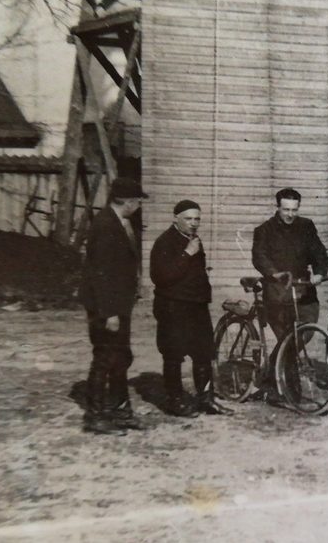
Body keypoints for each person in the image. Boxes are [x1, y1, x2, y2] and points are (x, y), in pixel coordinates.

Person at [78, 176, 147, 435]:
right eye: (138, 201)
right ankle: (95, 417)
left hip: (118, 304)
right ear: (127, 201)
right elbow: (101, 274)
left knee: (120, 358)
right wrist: (110, 314)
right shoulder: (106, 225)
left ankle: (120, 411)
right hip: (107, 307)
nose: (139, 206)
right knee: (105, 358)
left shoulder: (119, 221)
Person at [149, 200, 230, 417]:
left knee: (203, 353)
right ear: (175, 218)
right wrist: (186, 254)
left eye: (197, 219)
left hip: (196, 306)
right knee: (173, 354)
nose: (194, 223)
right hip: (173, 306)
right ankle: (175, 401)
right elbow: (161, 277)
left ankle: (205, 399)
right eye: (188, 218)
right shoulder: (164, 242)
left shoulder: (194, 240)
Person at [252, 188, 328, 393]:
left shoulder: (306, 226)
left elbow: (319, 253)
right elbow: (259, 257)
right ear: (277, 207)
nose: (290, 214)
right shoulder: (264, 230)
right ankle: (288, 386)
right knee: (288, 338)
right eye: (286, 209)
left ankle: (271, 373)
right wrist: (274, 273)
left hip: (304, 292)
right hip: (278, 294)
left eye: (294, 209)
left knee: (303, 333)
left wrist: (320, 273)